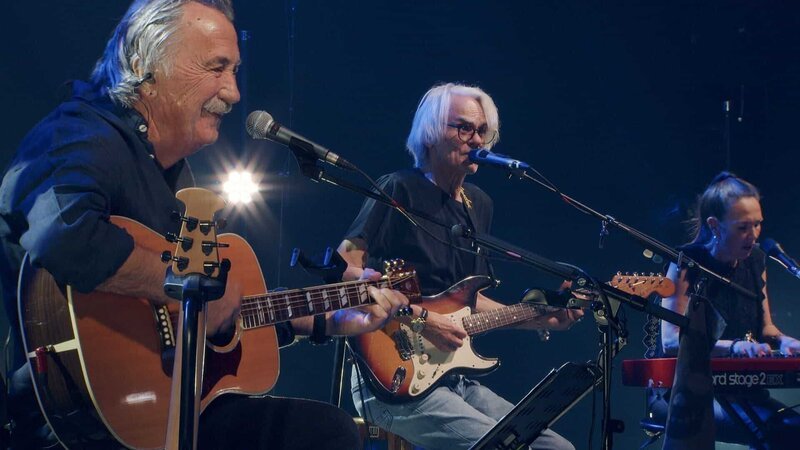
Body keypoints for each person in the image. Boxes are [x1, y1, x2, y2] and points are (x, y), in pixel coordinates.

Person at [0, 1, 408, 449]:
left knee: (327, 431)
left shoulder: (179, 176)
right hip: (88, 423)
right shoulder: (78, 134)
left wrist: (328, 320)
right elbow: (63, 235)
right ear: (144, 64)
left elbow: (221, 319)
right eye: (217, 67)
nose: (233, 93)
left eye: (234, 71)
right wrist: (191, 283)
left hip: (177, 410)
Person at [338, 83, 582, 450]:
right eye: (464, 128)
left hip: (451, 375)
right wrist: (421, 317)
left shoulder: (479, 204)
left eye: (483, 131)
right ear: (432, 132)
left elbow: (470, 300)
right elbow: (345, 270)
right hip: (392, 378)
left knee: (559, 448)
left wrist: (538, 318)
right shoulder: (398, 188)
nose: (476, 140)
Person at [655, 172, 800, 448]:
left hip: (743, 389)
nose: (753, 235)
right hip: (685, 391)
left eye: (757, 225)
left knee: (791, 430)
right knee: (784, 433)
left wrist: (785, 341)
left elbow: (765, 328)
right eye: (743, 227)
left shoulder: (756, 259)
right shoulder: (686, 263)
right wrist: (733, 347)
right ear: (714, 225)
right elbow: (671, 342)